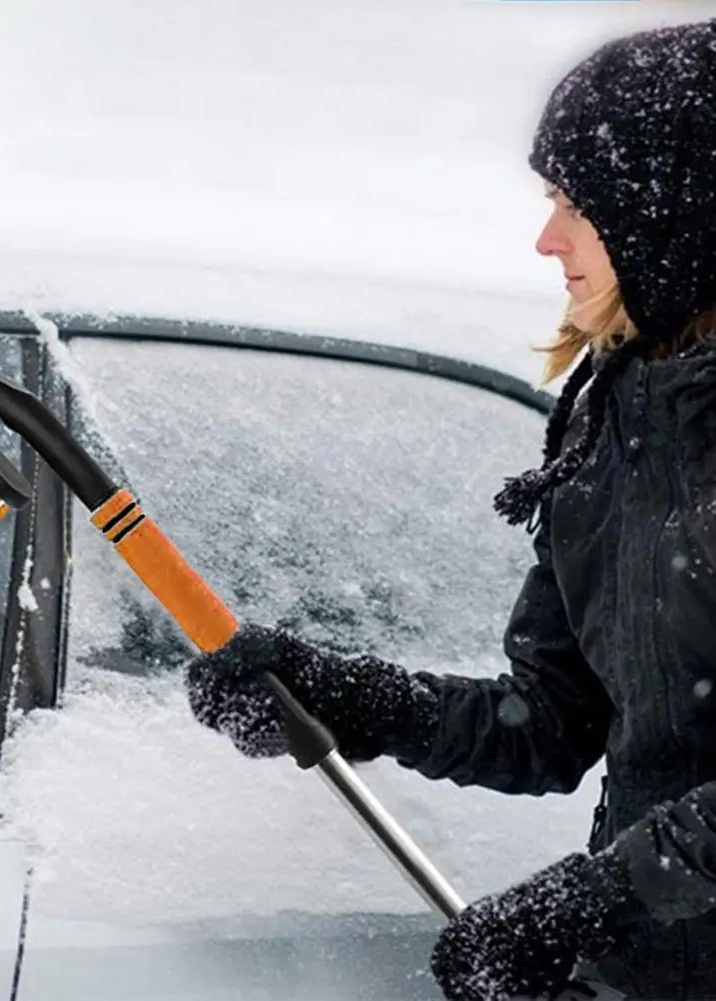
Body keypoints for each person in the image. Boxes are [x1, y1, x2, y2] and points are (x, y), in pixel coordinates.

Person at [184, 17, 716, 1001]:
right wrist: (347, 697)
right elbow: (547, 722)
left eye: (575, 203)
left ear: (671, 212)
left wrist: (597, 897)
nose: (543, 236)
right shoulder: (608, 430)